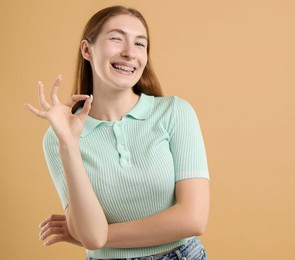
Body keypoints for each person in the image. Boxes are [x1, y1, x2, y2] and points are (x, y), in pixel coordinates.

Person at [25, 5, 209, 260]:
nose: (129, 53)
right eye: (116, 38)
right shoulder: (59, 137)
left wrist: (95, 235)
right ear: (87, 50)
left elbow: (193, 218)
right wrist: (68, 143)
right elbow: (90, 236)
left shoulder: (175, 112)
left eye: (140, 44)